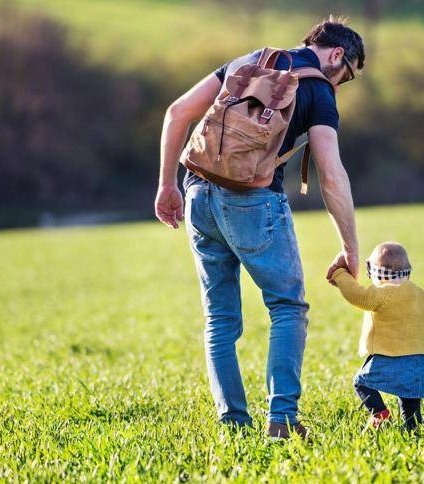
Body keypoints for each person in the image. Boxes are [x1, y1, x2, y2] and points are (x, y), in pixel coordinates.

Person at [154, 17, 365, 440]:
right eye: (348, 74)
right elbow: (331, 173)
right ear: (337, 54)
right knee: (287, 307)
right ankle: (283, 420)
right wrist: (350, 245)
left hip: (197, 194)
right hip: (254, 202)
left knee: (219, 319)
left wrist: (166, 185)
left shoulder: (250, 61)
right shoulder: (319, 90)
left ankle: (232, 423)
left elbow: (178, 112)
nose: (341, 84)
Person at [329, 242, 424, 431]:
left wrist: (340, 274)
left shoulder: (383, 293)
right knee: (410, 398)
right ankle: (413, 427)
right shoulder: (422, 295)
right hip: (421, 359)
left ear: (376, 273)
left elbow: (357, 295)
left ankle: (379, 412)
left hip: (390, 356)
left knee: (361, 383)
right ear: (408, 271)